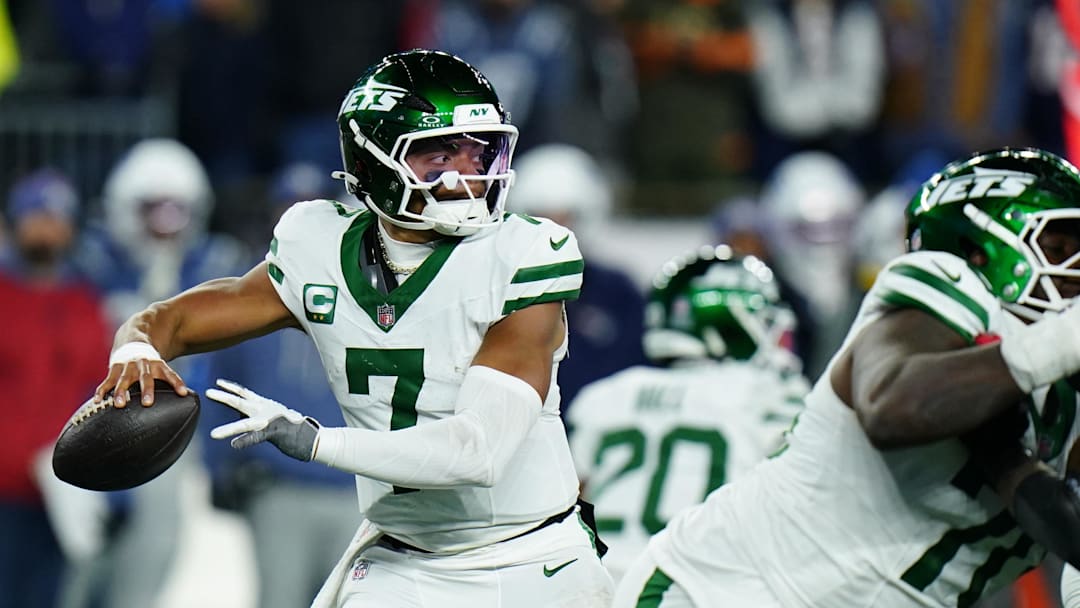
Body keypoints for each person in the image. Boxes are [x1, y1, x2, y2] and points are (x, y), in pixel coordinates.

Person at [92, 49, 613, 608]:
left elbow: (478, 452)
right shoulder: (317, 244)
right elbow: (177, 320)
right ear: (371, 163)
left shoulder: (523, 252)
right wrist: (136, 348)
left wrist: (317, 442)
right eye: (440, 154)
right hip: (402, 558)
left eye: (480, 150)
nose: (470, 173)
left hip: (529, 559)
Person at [613, 146, 1080, 607]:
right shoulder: (943, 289)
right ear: (977, 250)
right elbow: (892, 406)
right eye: (1060, 248)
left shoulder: (1062, 386)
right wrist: (1061, 340)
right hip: (728, 590)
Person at [567, 244, 809, 585]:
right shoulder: (768, 394)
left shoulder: (605, 396)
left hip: (599, 581)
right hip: (698, 584)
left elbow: (572, 499)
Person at [200, 162, 359, 608]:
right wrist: (219, 467)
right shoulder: (248, 290)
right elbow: (219, 384)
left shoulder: (369, 287)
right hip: (278, 485)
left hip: (355, 485)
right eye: (289, 207)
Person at [0, 169, 111, 608]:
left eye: (56, 220)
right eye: (37, 218)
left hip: (59, 491)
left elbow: (101, 394)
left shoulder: (85, 303)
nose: (47, 230)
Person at [510, 143, 646, 411]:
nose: (554, 231)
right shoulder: (496, 290)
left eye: (563, 218)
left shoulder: (618, 292)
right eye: (542, 218)